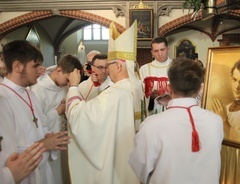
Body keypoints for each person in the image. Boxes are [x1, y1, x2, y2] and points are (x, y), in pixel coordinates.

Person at [65, 21, 143, 184]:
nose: (107, 70)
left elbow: (80, 117)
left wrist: (72, 87)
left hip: (115, 167)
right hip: (131, 164)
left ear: (120, 67)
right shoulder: (136, 89)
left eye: (109, 66)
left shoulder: (115, 94)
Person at [129, 58, 224, 184]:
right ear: (200, 88)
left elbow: (140, 167)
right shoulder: (215, 121)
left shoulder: (151, 125)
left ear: (169, 88)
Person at [0, 40, 71, 184]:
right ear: (17, 66)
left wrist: (48, 135)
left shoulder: (30, 94)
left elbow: (41, 125)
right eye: (35, 65)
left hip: (41, 172)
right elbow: (10, 157)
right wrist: (45, 144)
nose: (40, 70)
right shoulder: (3, 99)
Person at [30, 54, 82, 184]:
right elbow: (33, 122)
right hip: (47, 145)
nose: (68, 84)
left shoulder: (64, 85)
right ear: (58, 71)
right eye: (67, 79)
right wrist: (57, 112)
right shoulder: (38, 89)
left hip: (65, 142)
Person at [139, 36, 172, 116]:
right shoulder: (144, 69)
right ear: (152, 53)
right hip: (152, 111)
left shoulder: (178, 67)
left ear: (168, 49)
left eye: (162, 50)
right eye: (156, 51)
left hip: (172, 110)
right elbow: (139, 94)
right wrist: (151, 96)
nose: (160, 54)